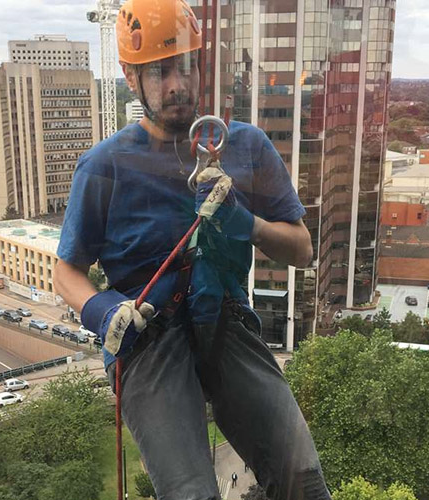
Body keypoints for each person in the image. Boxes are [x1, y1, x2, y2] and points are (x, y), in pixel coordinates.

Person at [54, 1, 332, 499]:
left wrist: (246, 223)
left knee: (304, 482)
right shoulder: (104, 166)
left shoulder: (245, 146)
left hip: (225, 321)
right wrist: (100, 309)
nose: (177, 84)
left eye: (186, 66)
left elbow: (303, 251)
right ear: (130, 76)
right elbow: (66, 272)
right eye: (159, 72)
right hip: (149, 337)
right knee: (191, 495)